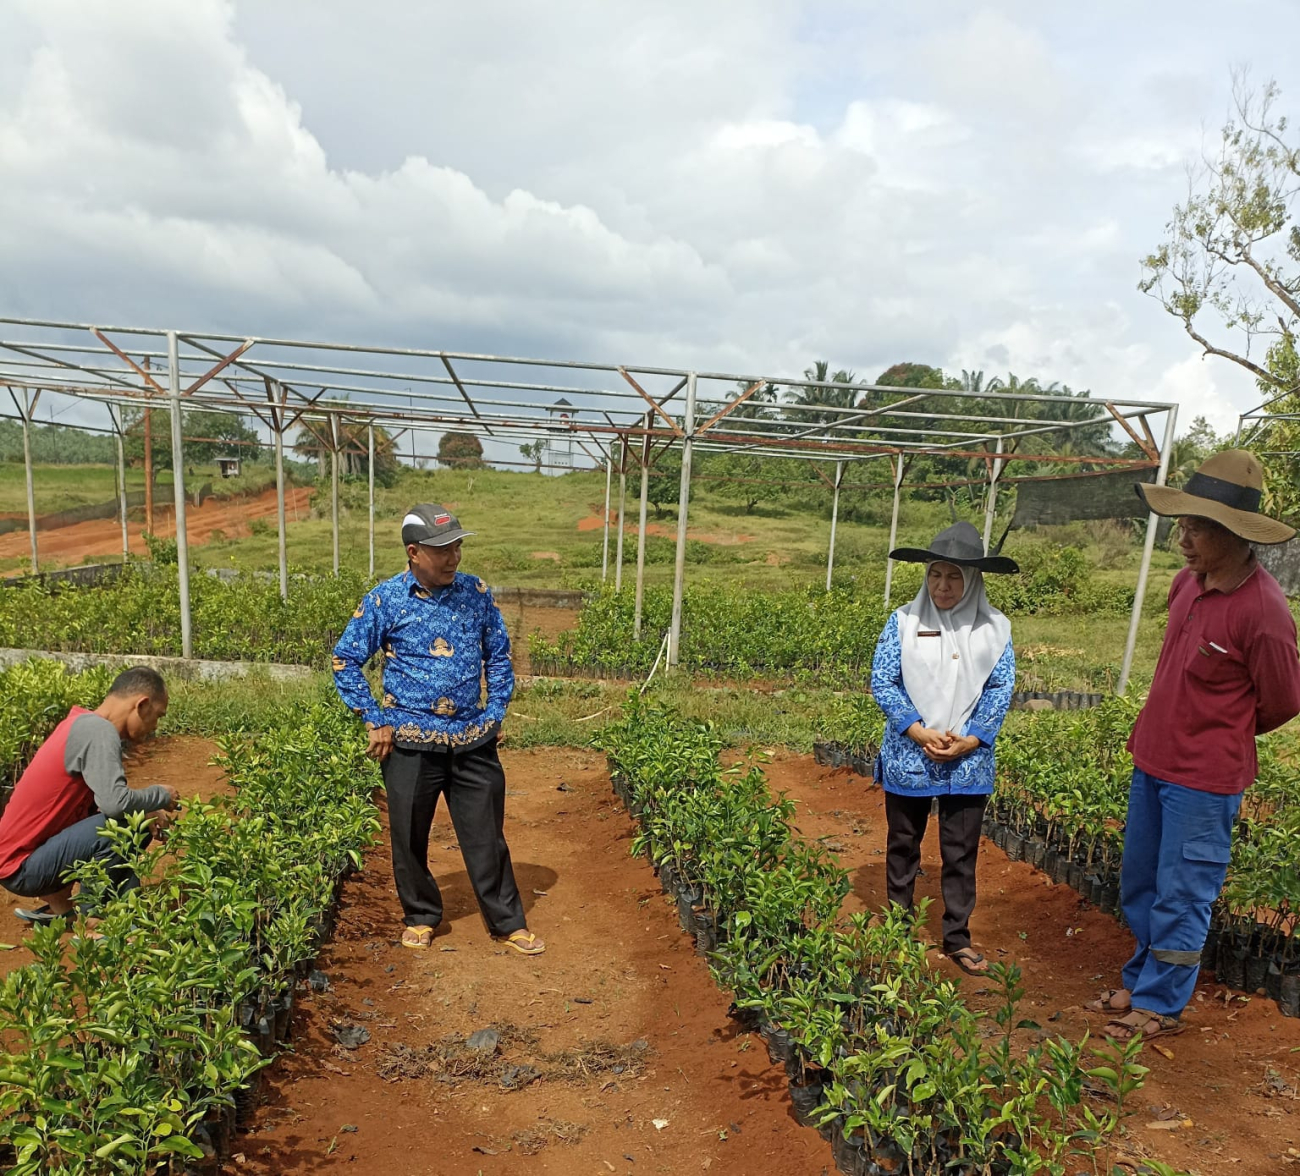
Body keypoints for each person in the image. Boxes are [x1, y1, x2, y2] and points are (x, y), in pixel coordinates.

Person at [1087, 450, 1300, 1040]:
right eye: (1181, 525)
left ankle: (1160, 1005)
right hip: (1153, 760)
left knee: (1184, 892)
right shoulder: (1187, 583)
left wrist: (1219, 732)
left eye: (1196, 529)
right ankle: (1142, 980)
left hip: (1204, 782)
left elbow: (1283, 701)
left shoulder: (1264, 612)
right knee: (1142, 883)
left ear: (1234, 533)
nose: (1182, 540)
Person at [332, 503, 544, 956]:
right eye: (443, 550)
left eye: (458, 547)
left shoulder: (476, 592)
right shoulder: (386, 600)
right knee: (409, 835)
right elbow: (344, 659)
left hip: (471, 737)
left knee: (486, 835)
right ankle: (422, 916)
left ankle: (508, 921)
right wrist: (373, 716)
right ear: (414, 552)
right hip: (409, 741)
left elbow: (499, 655)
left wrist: (496, 711)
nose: (454, 558)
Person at [870, 521, 1019, 977]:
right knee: (903, 843)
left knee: (960, 851)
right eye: (935, 574)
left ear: (972, 580)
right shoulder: (904, 622)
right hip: (910, 754)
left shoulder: (995, 629)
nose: (943, 585)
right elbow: (883, 680)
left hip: (967, 760)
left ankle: (957, 937)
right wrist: (916, 731)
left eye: (954, 576)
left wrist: (972, 738)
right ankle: (898, 929)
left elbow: (1000, 687)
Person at [0, 666, 179, 923]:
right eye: (158, 715)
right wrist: (160, 794)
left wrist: (147, 810)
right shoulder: (99, 731)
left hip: (22, 860)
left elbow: (100, 803)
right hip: (21, 867)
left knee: (135, 820)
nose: (155, 726)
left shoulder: (82, 724)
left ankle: (84, 911)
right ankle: (93, 921)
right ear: (142, 704)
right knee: (124, 826)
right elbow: (115, 804)